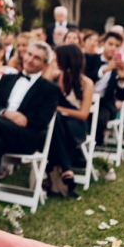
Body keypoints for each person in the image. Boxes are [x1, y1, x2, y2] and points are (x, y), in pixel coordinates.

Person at [0, 42, 60, 186]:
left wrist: (23, 119)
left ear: (45, 65)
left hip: (26, 136)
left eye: (37, 58)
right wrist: (6, 113)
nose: (30, 59)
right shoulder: (7, 79)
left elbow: (42, 121)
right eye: (29, 54)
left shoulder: (49, 89)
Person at [46, 45, 94, 196]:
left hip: (76, 126)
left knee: (56, 119)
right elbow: (41, 87)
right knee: (56, 121)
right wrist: (50, 67)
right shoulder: (56, 76)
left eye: (57, 58)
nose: (55, 60)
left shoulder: (86, 83)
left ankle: (59, 169)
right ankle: (66, 168)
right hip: (58, 125)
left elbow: (83, 114)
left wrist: (59, 110)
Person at [84, 31, 124, 147]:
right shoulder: (90, 58)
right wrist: (106, 69)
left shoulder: (121, 66)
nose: (113, 48)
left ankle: (95, 146)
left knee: (100, 118)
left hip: (105, 102)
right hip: (85, 98)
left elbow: (123, 96)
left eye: (117, 46)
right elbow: (84, 78)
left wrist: (122, 79)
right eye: (110, 44)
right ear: (103, 43)